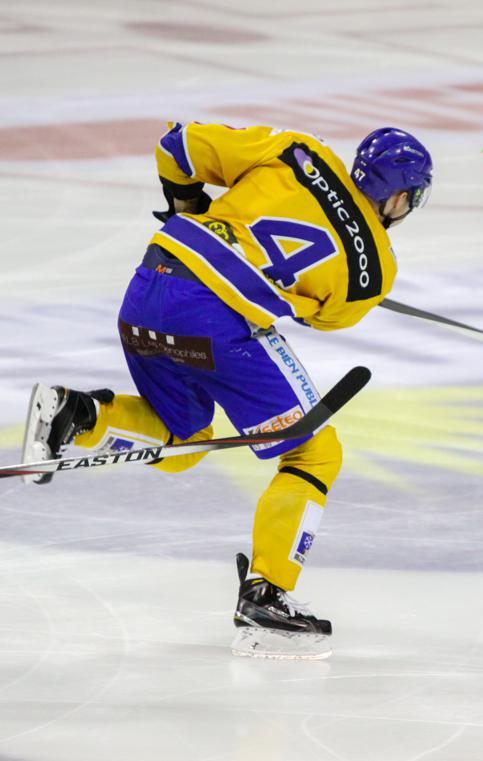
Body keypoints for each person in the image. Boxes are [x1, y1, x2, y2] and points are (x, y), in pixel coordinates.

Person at [20, 122, 432, 658]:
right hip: (211, 318)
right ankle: (267, 596)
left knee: (183, 440)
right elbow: (324, 318)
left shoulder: (300, 151)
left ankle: (75, 413)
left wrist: (188, 205)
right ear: (400, 196)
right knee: (314, 451)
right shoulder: (374, 270)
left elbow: (177, 145)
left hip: (149, 285)